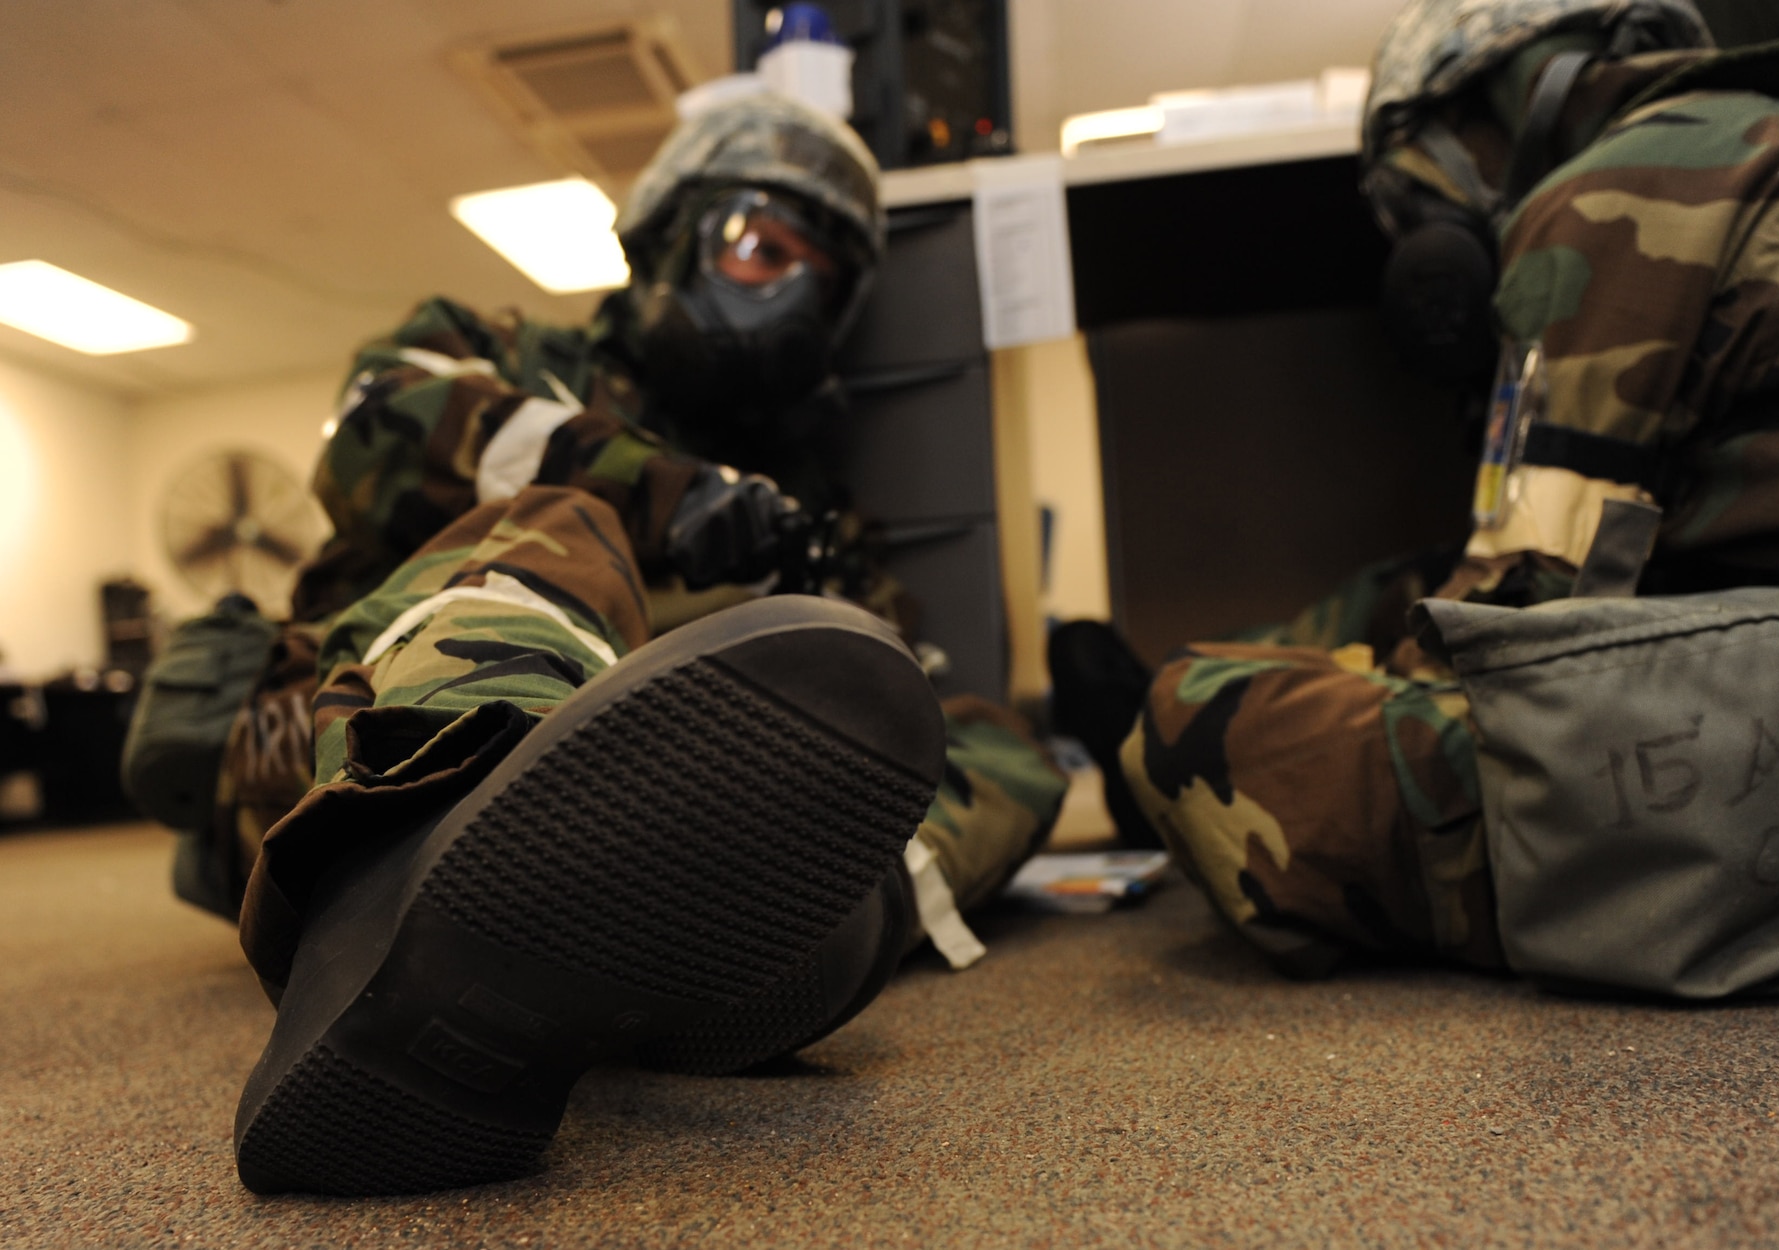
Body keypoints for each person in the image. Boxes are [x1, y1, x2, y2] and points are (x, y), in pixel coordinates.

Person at [121, 92, 1069, 1196]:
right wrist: (663, 492)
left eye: (823, 279)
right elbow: (382, 427)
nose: (793, 297)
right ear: (667, 239)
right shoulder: (507, 352)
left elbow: (877, 700)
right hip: (351, 727)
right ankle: (402, 909)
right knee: (573, 526)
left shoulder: (792, 503)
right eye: (762, 247)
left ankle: (814, 921)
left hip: (627, 804)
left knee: (988, 735)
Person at [1054, 0, 1779, 994]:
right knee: (1401, 583)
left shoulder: (1612, 188)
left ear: (1470, 115)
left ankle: (1138, 734)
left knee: (1198, 722)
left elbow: (1509, 626)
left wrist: (1349, 693)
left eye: (1406, 193)